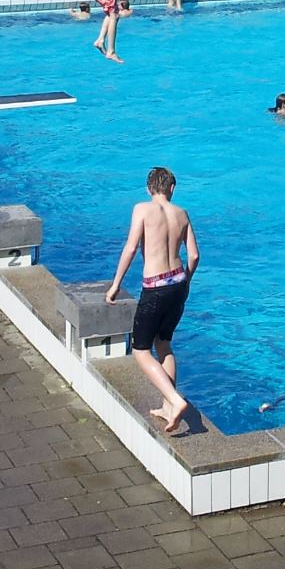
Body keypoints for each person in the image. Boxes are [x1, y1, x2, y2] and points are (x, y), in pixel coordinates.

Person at [103, 166, 198, 435]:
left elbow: (131, 247)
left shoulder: (142, 209)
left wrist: (116, 285)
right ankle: (168, 406)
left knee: (141, 349)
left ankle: (176, 401)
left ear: (148, 189)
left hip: (155, 287)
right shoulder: (182, 214)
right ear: (172, 188)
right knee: (164, 343)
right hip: (178, 284)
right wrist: (185, 282)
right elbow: (193, 257)